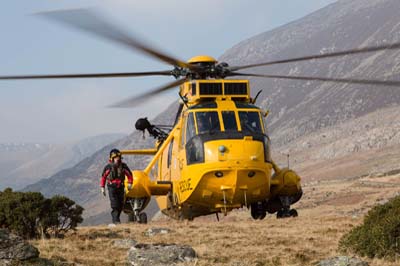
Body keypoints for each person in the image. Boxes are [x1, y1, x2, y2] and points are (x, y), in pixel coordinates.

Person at [100, 149, 133, 224]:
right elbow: (103, 177)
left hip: (121, 187)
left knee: (121, 205)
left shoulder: (124, 166)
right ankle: (116, 221)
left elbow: (129, 175)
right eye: (115, 157)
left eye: (118, 157)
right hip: (112, 187)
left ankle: (117, 219)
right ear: (112, 158)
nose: (117, 159)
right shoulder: (108, 167)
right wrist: (102, 187)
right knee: (114, 204)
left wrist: (130, 183)